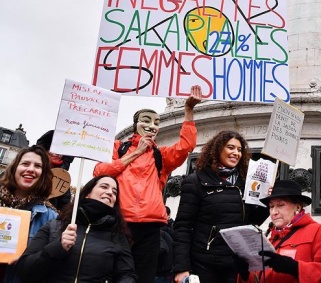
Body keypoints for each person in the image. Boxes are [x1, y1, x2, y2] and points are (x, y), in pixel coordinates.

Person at [93, 85, 202, 283]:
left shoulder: (161, 155)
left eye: (156, 123)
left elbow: (186, 146)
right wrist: (135, 153)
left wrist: (189, 111)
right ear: (135, 124)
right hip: (119, 223)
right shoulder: (118, 148)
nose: (152, 126)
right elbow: (100, 172)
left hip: (150, 229)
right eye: (146, 121)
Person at [173, 130, 269, 283]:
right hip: (203, 265)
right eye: (230, 147)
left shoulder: (245, 184)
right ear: (217, 149)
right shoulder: (196, 181)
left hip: (234, 266)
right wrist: (181, 268)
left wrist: (265, 200)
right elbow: (183, 228)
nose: (236, 153)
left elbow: (251, 222)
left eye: (239, 150)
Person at [16, 176, 136, 282]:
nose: (110, 193)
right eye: (104, 187)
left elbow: (127, 275)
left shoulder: (117, 235)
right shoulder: (54, 226)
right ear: (87, 193)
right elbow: (24, 271)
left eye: (114, 192)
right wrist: (58, 247)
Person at [235, 179, 321, 283]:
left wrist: (295, 268)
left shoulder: (319, 231)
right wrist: (245, 274)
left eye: (280, 205)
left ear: (298, 207)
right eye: (271, 206)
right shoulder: (270, 238)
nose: (274, 212)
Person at [0, 145, 58, 283]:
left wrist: (29, 261)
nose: (31, 169)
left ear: (43, 175)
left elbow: (50, 265)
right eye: (25, 163)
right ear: (14, 168)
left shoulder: (51, 217)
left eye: (37, 166)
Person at [36, 129, 74, 211]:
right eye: (53, 148)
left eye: (61, 150)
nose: (57, 153)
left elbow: (64, 210)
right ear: (44, 149)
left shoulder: (63, 180)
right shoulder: (29, 170)